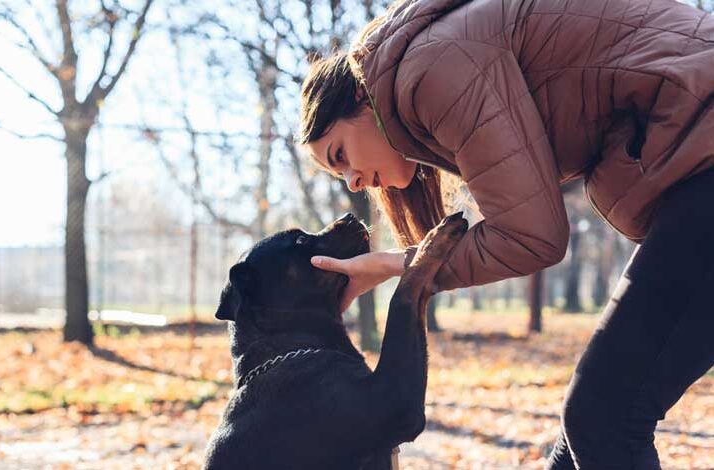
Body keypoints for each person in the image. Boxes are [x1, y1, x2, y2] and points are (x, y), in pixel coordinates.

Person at [297, 0, 714, 468]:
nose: (352, 180)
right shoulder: (434, 61)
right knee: (583, 436)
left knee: (603, 417)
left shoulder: (431, 70)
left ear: (360, 100)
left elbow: (532, 236)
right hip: (697, 171)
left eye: (339, 155)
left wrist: (399, 265)